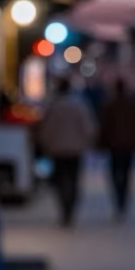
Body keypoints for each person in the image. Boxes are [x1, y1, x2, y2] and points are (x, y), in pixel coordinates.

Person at [39, 77, 96, 226]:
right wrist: (87, 141)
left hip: (57, 149)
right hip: (75, 149)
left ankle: (64, 207)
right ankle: (70, 207)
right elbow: (88, 127)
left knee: (59, 179)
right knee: (74, 179)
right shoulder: (79, 106)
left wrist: (46, 143)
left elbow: (46, 128)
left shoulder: (54, 106)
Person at [99, 79, 135, 217]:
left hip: (114, 146)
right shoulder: (131, 105)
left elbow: (104, 126)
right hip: (128, 146)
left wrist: (101, 143)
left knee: (115, 173)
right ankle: (122, 200)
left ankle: (118, 199)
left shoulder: (109, 105)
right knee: (126, 173)